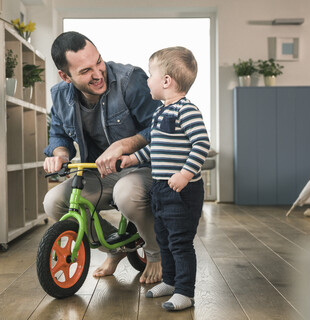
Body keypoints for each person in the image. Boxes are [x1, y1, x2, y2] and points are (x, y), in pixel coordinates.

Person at [43, 31, 163, 284]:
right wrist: (60, 154)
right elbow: (58, 136)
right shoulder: (60, 96)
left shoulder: (131, 80)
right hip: (100, 172)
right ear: (65, 76)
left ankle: (156, 254)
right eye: (85, 71)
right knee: (54, 201)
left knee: (125, 192)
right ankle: (115, 249)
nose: (98, 74)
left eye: (99, 61)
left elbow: (161, 127)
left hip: (145, 166)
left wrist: (124, 144)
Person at [120, 46, 210, 311]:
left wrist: (185, 173)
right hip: (160, 188)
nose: (147, 80)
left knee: (180, 242)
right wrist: (132, 159)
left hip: (182, 191)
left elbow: (201, 143)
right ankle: (169, 282)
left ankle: (185, 291)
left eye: (150, 75)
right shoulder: (160, 113)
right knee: (164, 239)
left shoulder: (187, 110)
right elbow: (153, 148)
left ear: (166, 81)